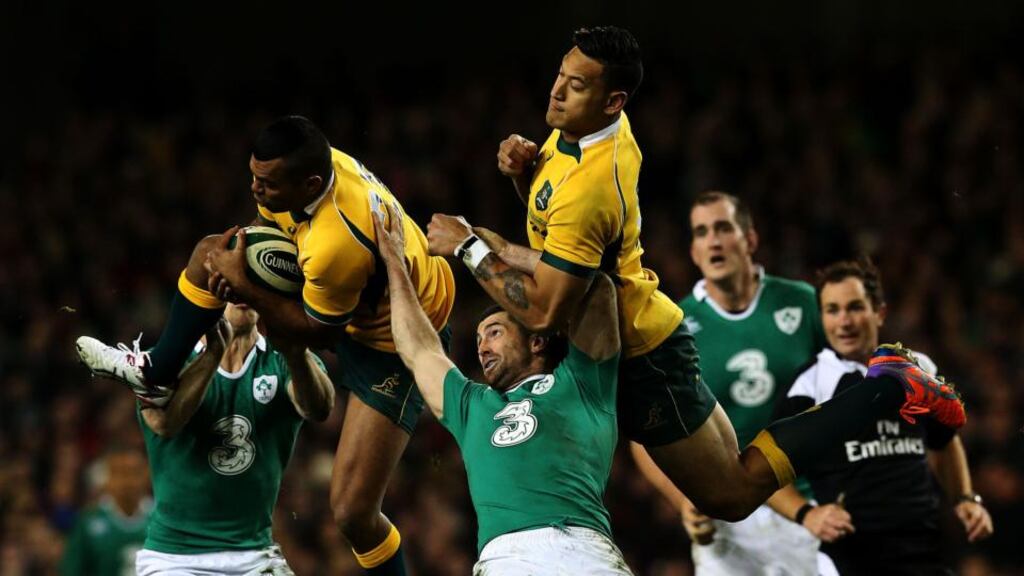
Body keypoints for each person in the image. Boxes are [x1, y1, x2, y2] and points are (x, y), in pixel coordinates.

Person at [425, 26, 966, 524]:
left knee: (731, 494)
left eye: (577, 85)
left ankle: (886, 388)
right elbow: (559, 238)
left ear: (613, 101)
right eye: (560, 76)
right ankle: (885, 387)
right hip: (621, 334)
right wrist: (527, 176)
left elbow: (547, 308)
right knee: (734, 474)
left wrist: (470, 248)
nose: (557, 93)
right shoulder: (582, 130)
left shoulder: (593, 185)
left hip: (639, 354)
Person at [77, 116, 455, 574]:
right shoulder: (313, 169)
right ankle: (156, 370)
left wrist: (246, 286)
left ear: (308, 184)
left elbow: (318, 334)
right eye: (254, 175)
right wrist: (239, 260)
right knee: (211, 252)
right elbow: (264, 224)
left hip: (397, 334)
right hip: (355, 302)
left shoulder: (334, 243)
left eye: (267, 183)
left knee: (353, 511)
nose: (255, 188)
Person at [373, 200, 631, 574]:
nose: (482, 347)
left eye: (495, 333)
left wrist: (493, 251)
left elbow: (597, 289)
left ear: (537, 340)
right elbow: (418, 349)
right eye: (479, 339)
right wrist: (394, 263)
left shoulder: (583, 381)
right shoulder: (471, 404)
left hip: (585, 551)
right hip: (506, 559)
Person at [661, 191, 848, 575]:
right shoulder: (674, 327)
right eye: (702, 232)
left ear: (750, 239)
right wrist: (682, 499)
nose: (713, 240)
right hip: (726, 519)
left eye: (723, 228)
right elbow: (645, 435)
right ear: (694, 252)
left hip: (810, 508)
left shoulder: (802, 303)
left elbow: (849, 389)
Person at [776, 257, 993, 575]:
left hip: (924, 550)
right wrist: (807, 514)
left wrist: (964, 498)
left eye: (855, 307)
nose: (844, 321)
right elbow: (766, 476)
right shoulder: (808, 386)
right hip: (851, 558)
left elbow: (945, 442)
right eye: (832, 310)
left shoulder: (919, 368)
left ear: (879, 312)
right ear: (821, 318)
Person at [134, 303, 334, 575]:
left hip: (255, 556)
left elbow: (319, 409)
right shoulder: (163, 362)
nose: (242, 294)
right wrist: (213, 355)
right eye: (232, 286)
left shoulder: (284, 358)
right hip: (173, 558)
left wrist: (297, 354)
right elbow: (165, 423)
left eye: (251, 285)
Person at [61, 445, 151, 576]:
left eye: (135, 472)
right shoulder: (88, 521)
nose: (128, 481)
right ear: (108, 478)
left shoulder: (161, 519)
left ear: (147, 475)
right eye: (121, 473)